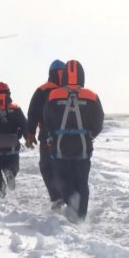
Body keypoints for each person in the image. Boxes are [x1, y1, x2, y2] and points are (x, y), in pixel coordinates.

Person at [44, 60, 104, 222]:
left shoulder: (53, 95)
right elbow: (99, 121)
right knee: (82, 182)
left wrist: (51, 136)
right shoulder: (92, 96)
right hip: (83, 147)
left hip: (60, 147)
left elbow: (47, 120)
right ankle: (81, 218)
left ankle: (71, 200)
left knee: (63, 178)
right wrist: (89, 136)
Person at [26, 60, 65, 208]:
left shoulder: (42, 90)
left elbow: (33, 112)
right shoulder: (72, 90)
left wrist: (30, 133)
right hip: (71, 139)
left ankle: (57, 198)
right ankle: (71, 196)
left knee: (47, 167)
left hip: (47, 138)